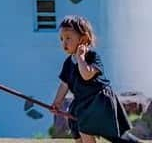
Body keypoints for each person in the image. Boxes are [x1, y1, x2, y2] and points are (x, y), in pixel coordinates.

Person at [52, 15, 139, 143]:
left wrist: (81, 58)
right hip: (83, 102)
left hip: (99, 101)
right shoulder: (68, 63)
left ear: (83, 39)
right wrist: (57, 102)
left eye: (68, 38)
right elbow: (64, 84)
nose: (64, 43)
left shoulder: (91, 57)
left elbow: (86, 75)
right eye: (62, 39)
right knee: (76, 125)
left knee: (85, 127)